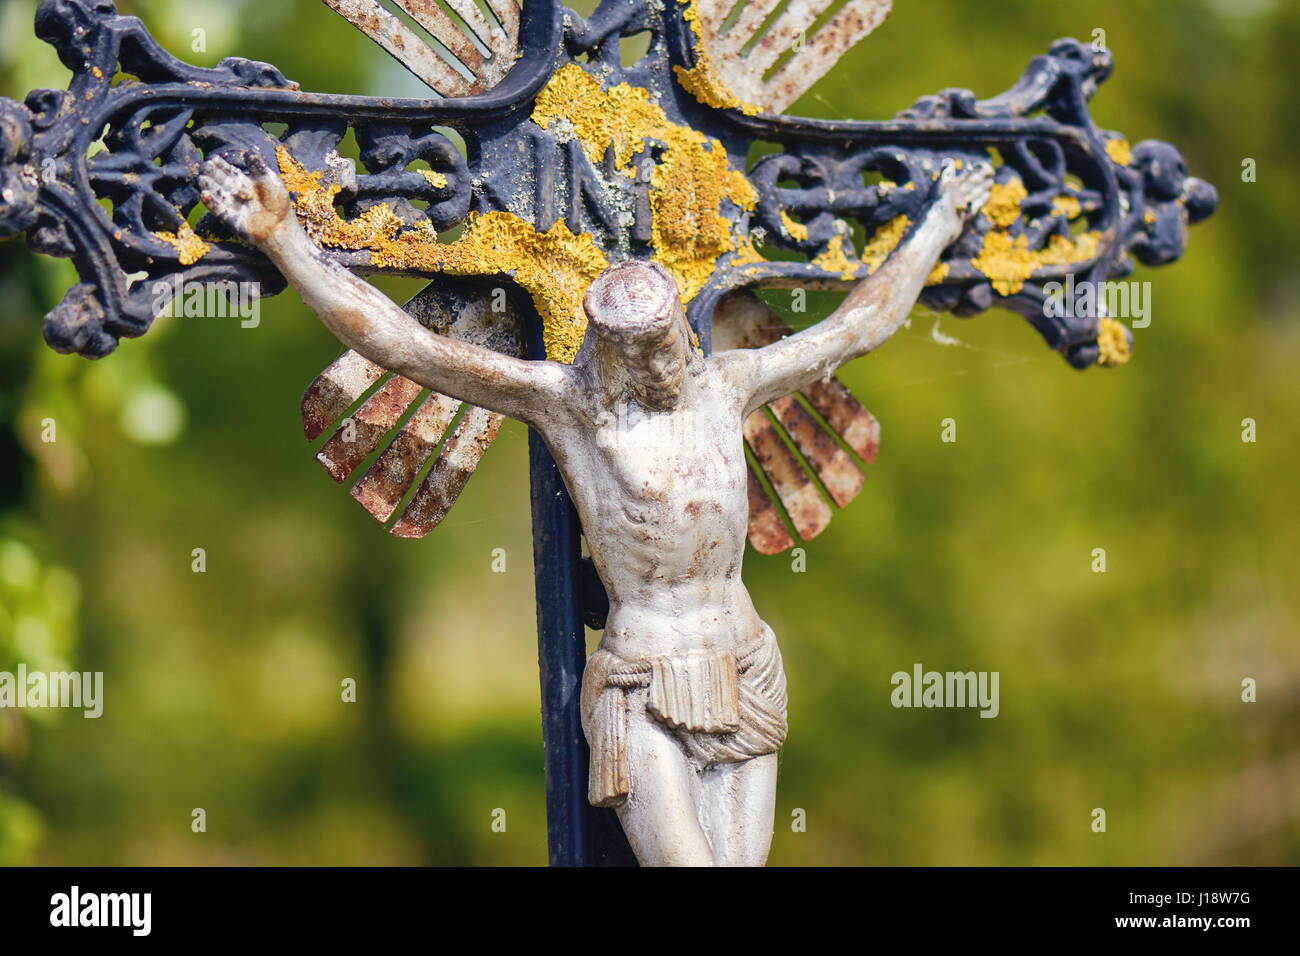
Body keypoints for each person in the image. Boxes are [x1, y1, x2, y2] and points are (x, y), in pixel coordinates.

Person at [199, 150, 992, 865]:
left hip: (744, 661)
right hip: (642, 682)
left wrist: (935, 227)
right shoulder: (571, 406)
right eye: (640, 355)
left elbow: (858, 326)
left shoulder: (729, 384)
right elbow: (406, 347)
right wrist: (283, 241)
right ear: (605, 351)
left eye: (670, 347)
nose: (662, 367)